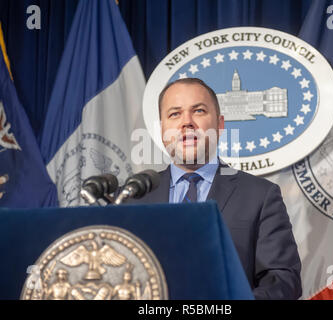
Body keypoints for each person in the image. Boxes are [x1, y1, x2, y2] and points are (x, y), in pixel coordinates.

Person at [128, 78, 302, 299]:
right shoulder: (133, 197)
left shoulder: (260, 195)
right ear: (161, 128)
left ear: (219, 125)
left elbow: (283, 280)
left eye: (198, 111)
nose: (186, 122)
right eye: (174, 114)